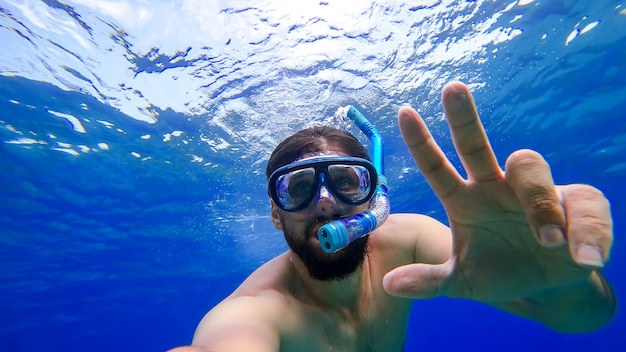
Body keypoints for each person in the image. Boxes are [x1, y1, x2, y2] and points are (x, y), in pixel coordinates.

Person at [169, 81, 615, 352]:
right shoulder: (258, 311)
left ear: (373, 194)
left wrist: (560, 278)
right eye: (298, 189)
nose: (325, 203)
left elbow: (584, 317)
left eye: (346, 181)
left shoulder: (411, 241)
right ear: (275, 215)